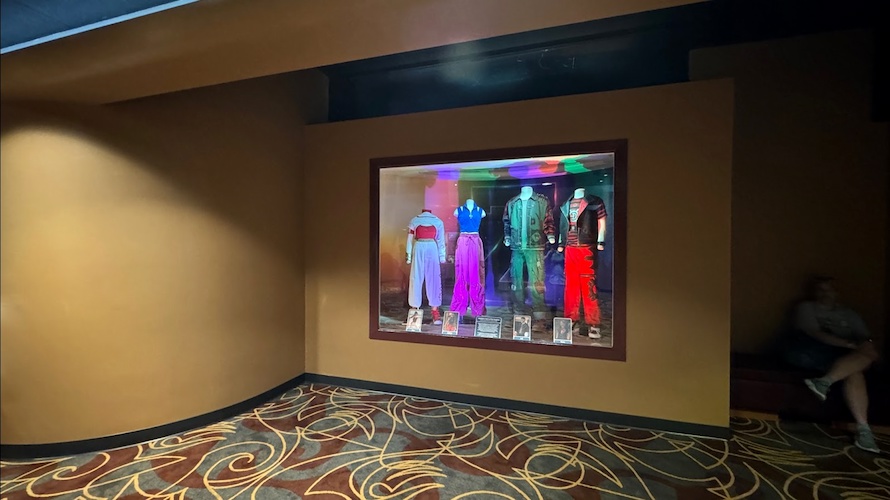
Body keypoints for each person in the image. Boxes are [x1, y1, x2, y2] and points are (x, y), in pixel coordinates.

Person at [785, 275, 882, 453]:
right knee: (857, 364)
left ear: (837, 293)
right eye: (821, 290)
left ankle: (826, 384)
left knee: (859, 366)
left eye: (829, 290)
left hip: (844, 355)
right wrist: (849, 344)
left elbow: (866, 338)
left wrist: (864, 346)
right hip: (812, 350)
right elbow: (814, 333)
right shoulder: (806, 308)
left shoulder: (849, 314)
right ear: (814, 292)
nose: (825, 293)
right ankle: (864, 431)